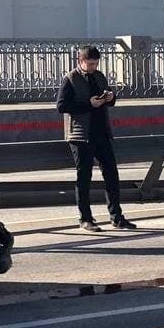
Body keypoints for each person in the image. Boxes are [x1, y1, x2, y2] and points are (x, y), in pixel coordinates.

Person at [57, 46, 137, 232]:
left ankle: (116, 217)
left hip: (102, 132)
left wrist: (110, 97)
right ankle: (86, 218)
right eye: (90, 63)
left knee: (111, 174)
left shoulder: (99, 76)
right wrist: (88, 104)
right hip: (81, 136)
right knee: (84, 177)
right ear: (80, 61)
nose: (93, 67)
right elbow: (61, 106)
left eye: (95, 63)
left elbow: (111, 99)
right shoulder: (70, 79)